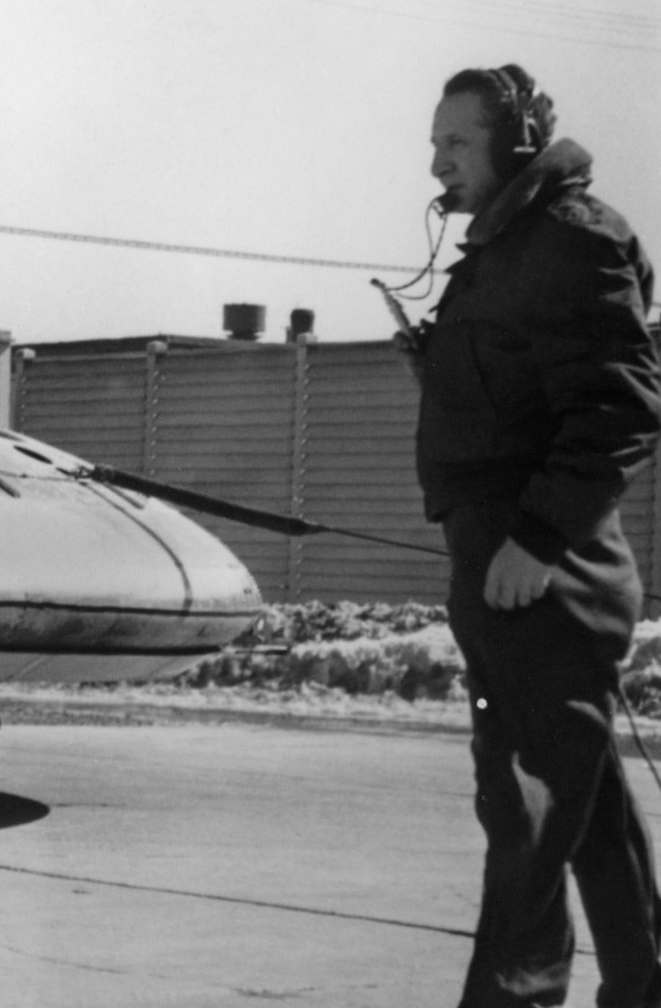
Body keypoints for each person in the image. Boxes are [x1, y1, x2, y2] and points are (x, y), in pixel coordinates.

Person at [405, 64, 661, 1008]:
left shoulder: (569, 240)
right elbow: (521, 398)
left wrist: (541, 540)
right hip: (504, 562)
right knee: (581, 807)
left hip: (543, 571)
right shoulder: (507, 247)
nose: (437, 163)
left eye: (456, 142)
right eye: (435, 143)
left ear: (515, 141)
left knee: (527, 806)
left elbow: (620, 408)